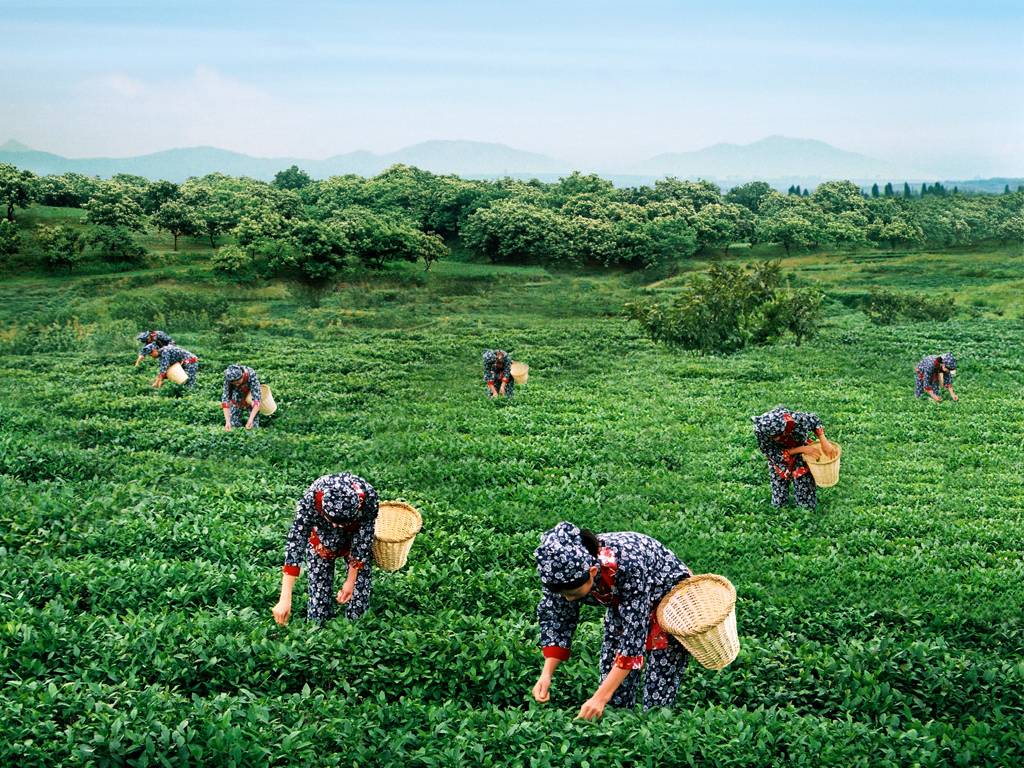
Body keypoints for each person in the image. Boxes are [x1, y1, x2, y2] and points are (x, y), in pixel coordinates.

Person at [532, 521, 692, 719]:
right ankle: (619, 728)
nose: (568, 598)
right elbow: (557, 618)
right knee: (614, 692)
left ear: (592, 572)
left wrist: (599, 698)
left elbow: (633, 640)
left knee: (659, 685)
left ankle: (654, 729)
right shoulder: (560, 571)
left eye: (572, 593)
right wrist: (546, 674)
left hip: (669, 598)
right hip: (624, 600)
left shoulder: (628, 565)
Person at [272, 473, 380, 626]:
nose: (338, 527)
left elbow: (363, 541)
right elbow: (296, 543)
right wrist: (285, 598)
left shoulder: (369, 498)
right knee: (317, 613)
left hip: (354, 540)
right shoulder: (311, 499)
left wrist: (350, 581)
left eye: (343, 523)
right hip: (322, 541)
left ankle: (354, 629)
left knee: (358, 607)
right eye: (334, 522)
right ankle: (320, 626)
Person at [752, 406, 836, 510]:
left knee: (805, 492)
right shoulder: (761, 430)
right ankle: (780, 508)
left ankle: (805, 508)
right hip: (781, 458)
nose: (777, 438)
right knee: (779, 498)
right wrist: (802, 449)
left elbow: (814, 420)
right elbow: (772, 453)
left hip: (801, 452)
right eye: (773, 437)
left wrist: (824, 441)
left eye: (778, 434)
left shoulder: (794, 420)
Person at [221, 364, 263, 431]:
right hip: (237, 394)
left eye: (238, 382)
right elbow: (225, 400)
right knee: (233, 424)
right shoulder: (228, 377)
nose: (237, 384)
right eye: (234, 383)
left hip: (250, 394)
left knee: (253, 425)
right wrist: (227, 422)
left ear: (242, 375)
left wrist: (250, 419)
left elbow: (257, 399)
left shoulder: (251, 374)